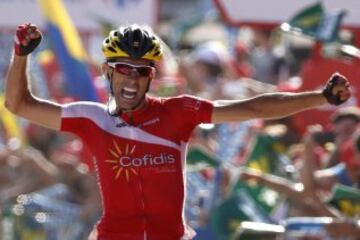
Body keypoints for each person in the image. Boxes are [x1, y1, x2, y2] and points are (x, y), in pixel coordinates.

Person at [4, 23, 351, 240]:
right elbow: (19, 105)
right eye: (123, 69)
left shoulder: (178, 111)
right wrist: (22, 56)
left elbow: (254, 107)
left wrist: (319, 96)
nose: (132, 78)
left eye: (141, 71)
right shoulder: (90, 117)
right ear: (109, 72)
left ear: (151, 78)